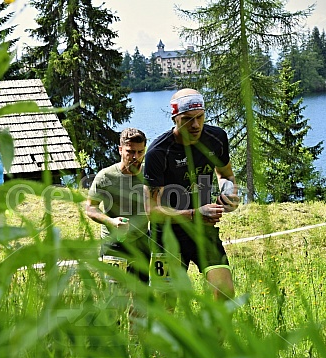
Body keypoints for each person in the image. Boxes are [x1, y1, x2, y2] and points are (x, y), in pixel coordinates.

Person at [143, 88, 240, 301]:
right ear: (175, 118)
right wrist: (195, 213)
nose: (195, 125)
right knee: (165, 304)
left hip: (202, 230)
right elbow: (152, 212)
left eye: (200, 117)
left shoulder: (216, 138)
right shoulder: (158, 152)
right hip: (167, 236)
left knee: (226, 294)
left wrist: (229, 193)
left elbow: (226, 175)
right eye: (187, 119)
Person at [86, 128, 150, 284]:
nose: (136, 157)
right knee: (114, 299)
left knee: (141, 299)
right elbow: (90, 208)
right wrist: (111, 221)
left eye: (140, 152)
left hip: (141, 243)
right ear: (120, 149)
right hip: (112, 244)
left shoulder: (150, 175)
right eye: (130, 152)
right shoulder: (106, 176)